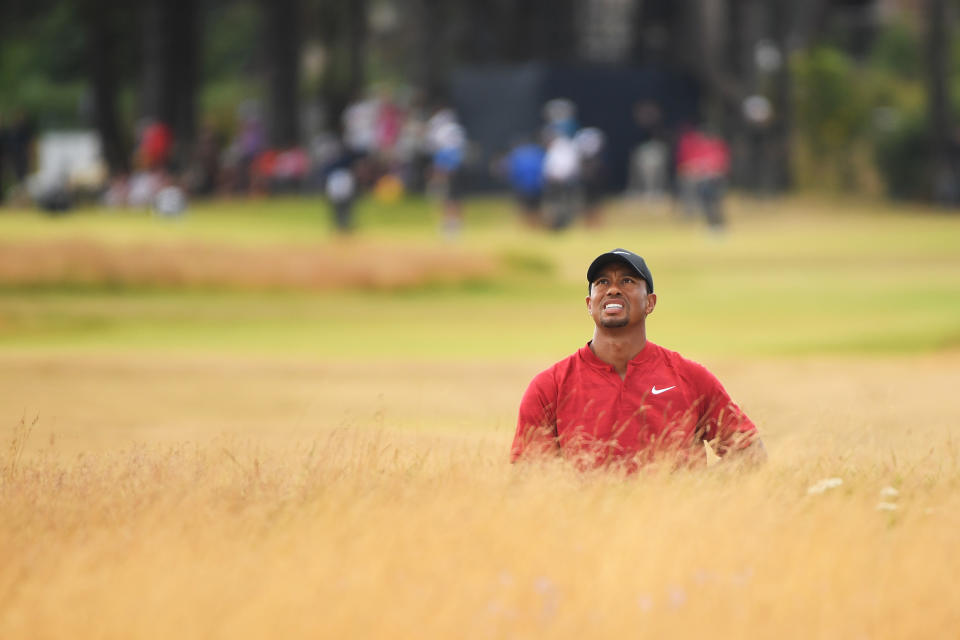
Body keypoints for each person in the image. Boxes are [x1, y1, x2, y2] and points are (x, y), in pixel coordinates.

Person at [511, 249, 766, 472]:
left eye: (627, 280)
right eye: (602, 282)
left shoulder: (690, 378)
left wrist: (698, 487)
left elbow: (751, 454)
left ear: (650, 303)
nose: (613, 289)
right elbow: (529, 477)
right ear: (590, 304)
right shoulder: (550, 386)